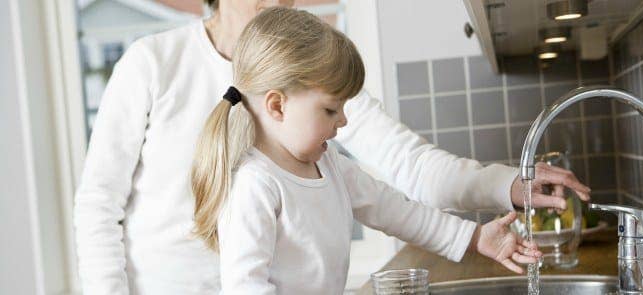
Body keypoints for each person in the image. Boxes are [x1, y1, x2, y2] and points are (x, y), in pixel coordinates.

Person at [73, 0, 589, 294]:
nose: (284, 4)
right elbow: (98, 207)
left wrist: (506, 187)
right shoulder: (151, 63)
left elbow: (404, 180)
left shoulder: (315, 92)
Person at [192, 7, 541, 293]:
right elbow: (245, 288)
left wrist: (476, 237)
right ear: (277, 106)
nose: (342, 120)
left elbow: (395, 210)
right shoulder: (255, 185)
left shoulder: (329, 165)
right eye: (330, 110)